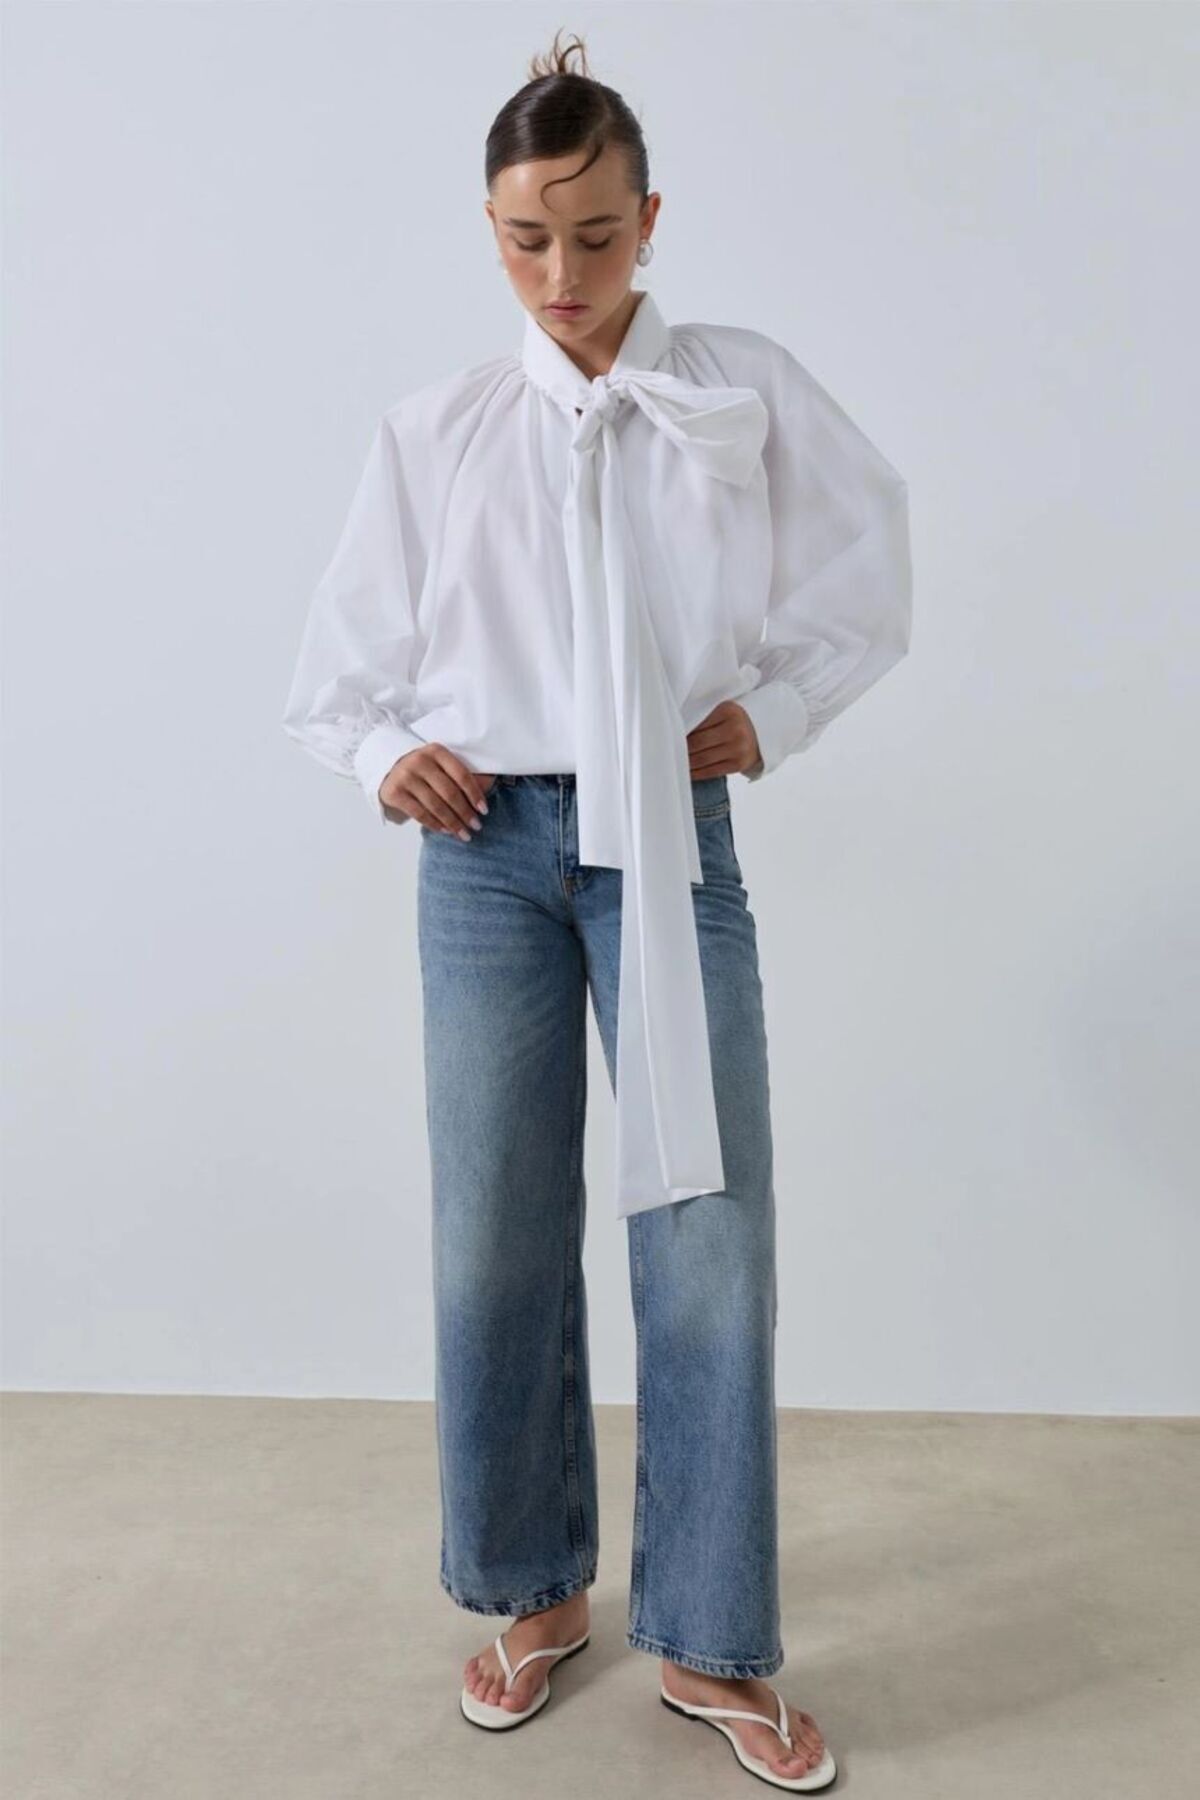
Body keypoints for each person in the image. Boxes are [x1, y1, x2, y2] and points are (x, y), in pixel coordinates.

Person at [282, 29, 911, 1794]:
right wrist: (387, 754)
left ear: (652, 218)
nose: (562, 275)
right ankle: (532, 1587)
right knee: (493, 1222)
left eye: (597, 235)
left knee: (707, 1225)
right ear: (488, 230)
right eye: (525, 239)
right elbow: (341, 669)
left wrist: (773, 712)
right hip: (485, 847)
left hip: (668, 829)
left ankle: (711, 1635)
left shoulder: (734, 391)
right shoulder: (437, 431)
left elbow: (872, 555)